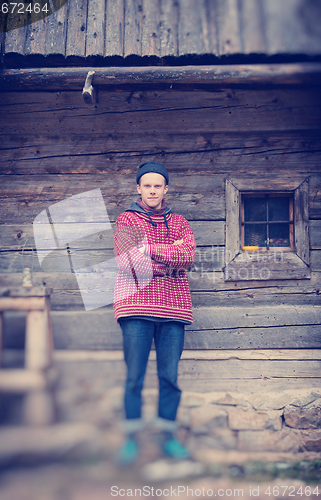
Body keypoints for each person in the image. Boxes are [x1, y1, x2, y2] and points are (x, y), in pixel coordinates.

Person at [113, 161, 196, 464]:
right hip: (135, 308)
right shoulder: (126, 219)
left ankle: (167, 437)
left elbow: (187, 256)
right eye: (146, 185)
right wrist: (166, 254)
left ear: (165, 189)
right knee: (134, 376)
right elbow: (126, 263)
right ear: (138, 188)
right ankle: (131, 439)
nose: (152, 190)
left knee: (169, 377)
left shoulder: (180, 221)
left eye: (157, 185)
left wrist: (148, 249)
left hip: (174, 309)